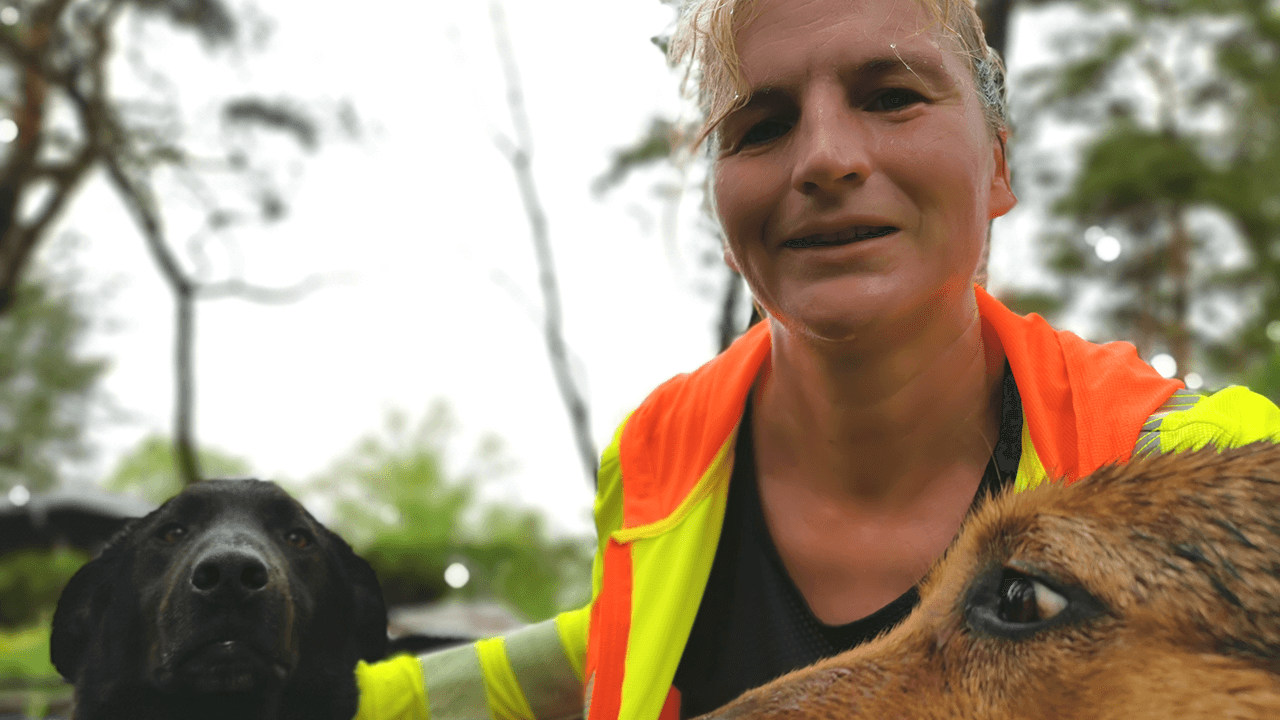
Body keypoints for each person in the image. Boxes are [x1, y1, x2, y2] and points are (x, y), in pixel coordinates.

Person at [353, 0, 1280, 718]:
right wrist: (333, 695)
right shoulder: (657, 459)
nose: (825, 158)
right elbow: (605, 646)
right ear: (723, 213)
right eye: (761, 126)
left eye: (891, 96)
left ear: (999, 164)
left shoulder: (1208, 455)